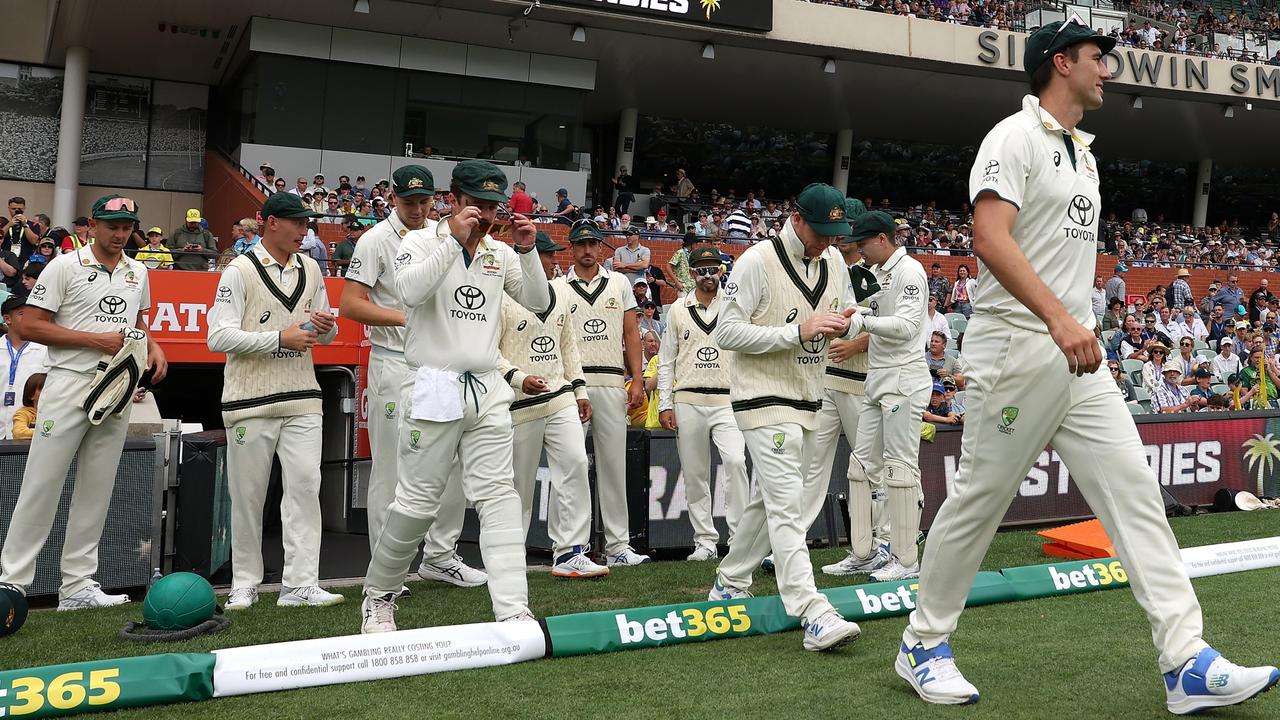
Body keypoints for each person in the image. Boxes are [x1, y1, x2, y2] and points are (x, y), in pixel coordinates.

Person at [895, 21, 1279, 713]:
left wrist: (1075, 325)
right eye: (1098, 60)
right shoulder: (1012, 138)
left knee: (1136, 493)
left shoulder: (1083, 152)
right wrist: (1059, 318)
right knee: (981, 499)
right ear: (1061, 63)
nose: (1108, 71)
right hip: (1017, 349)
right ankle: (922, 643)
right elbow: (988, 236)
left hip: (1079, 356)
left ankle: (1186, 661)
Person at [359, 160, 548, 633]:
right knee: (417, 502)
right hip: (435, 383)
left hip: (487, 385)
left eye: (492, 207)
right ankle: (379, 596)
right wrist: (451, 241)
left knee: (499, 496)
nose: (485, 215)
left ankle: (513, 607)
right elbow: (407, 292)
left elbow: (538, 301)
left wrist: (527, 251)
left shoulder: (499, 253)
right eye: (477, 205)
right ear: (455, 201)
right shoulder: (421, 241)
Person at [707, 182, 862, 653]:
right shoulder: (756, 261)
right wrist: (798, 331)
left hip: (808, 395)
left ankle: (730, 580)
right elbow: (726, 332)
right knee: (788, 502)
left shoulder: (834, 260)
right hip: (762, 397)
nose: (829, 241)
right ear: (796, 219)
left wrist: (847, 323)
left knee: (768, 500)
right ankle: (810, 609)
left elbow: (846, 311)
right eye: (821, 231)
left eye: (836, 233)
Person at [0, 195, 167, 609]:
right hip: (68, 383)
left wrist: (153, 345)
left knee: (97, 487)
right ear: (92, 224)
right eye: (112, 225)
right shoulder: (64, 265)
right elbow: (34, 326)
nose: (121, 233)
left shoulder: (138, 271)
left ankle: (77, 585)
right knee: (42, 483)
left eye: (128, 226)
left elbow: (137, 324)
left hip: (117, 386)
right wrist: (97, 341)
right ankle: (12, 583)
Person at [339, 166, 485, 594]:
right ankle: (387, 568)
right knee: (392, 469)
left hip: (440, 365)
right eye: (409, 203)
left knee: (451, 462)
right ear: (394, 200)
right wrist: (409, 316)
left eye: (424, 202)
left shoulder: (445, 234)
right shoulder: (374, 240)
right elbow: (350, 304)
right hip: (394, 362)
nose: (418, 210)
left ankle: (441, 557)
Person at [206, 192, 343, 611]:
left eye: (306, 224)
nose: (306, 231)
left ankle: (300, 583)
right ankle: (244, 582)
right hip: (250, 399)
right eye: (298, 223)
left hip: (303, 396)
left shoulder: (311, 270)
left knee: (305, 488)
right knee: (248, 496)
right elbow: (217, 337)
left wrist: (324, 328)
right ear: (271, 224)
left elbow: (327, 335)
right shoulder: (239, 271)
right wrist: (278, 338)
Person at [497, 231, 607, 579]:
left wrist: (580, 391)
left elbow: (569, 348)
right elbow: (486, 353)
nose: (551, 260)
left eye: (550, 254)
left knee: (575, 463)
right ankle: (509, 556)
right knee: (518, 483)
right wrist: (517, 377)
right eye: (545, 255)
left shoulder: (559, 293)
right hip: (519, 403)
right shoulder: (499, 299)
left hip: (560, 396)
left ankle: (571, 551)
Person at [836, 211, 932, 582]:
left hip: (904, 380)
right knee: (860, 467)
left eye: (862, 244)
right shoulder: (876, 273)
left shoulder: (910, 272)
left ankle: (906, 560)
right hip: (878, 377)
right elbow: (872, 313)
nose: (859, 252)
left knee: (900, 467)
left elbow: (908, 327)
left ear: (881, 238)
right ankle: (864, 552)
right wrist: (853, 313)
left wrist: (860, 322)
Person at [561, 221, 649, 566]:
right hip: (573, 386)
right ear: (571, 247)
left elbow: (631, 333)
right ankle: (574, 547)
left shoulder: (618, 283)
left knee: (614, 466)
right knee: (573, 464)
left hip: (612, 381)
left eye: (592, 244)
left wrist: (638, 378)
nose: (587, 249)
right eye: (580, 243)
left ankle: (618, 547)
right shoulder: (558, 287)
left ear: (601, 247)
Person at [656, 247, 748, 561]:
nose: (708, 276)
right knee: (695, 472)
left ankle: (739, 538)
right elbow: (665, 361)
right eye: (702, 270)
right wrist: (664, 404)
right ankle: (705, 541)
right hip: (689, 398)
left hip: (727, 398)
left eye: (714, 269)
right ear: (692, 273)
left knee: (736, 462)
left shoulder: (736, 307)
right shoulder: (678, 309)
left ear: (722, 271)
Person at [0, 297, 50, 439]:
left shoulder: (45, 351)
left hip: (29, 430)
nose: (29, 319)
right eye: (22, 314)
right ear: (8, 319)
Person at [9, 371, 44, 440]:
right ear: (31, 395)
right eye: (41, 388)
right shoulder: (23, 414)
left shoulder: (57, 412)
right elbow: (18, 433)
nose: (46, 391)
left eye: (49, 388)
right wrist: (47, 433)